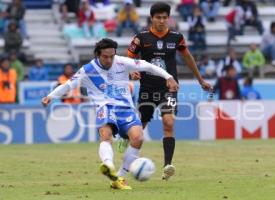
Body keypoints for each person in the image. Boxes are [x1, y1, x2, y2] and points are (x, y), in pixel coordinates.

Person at [41, 38, 179, 190]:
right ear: (97, 55)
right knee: (106, 134)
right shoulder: (87, 70)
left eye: (111, 56)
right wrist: (51, 96)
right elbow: (68, 85)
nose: (109, 60)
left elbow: (147, 66)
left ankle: (119, 177)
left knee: (138, 138)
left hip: (125, 108)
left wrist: (169, 77)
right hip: (105, 107)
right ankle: (107, 165)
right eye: (105, 57)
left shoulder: (121, 62)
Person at [127, 3, 212, 180]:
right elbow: (129, 58)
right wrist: (131, 70)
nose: (161, 20)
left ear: (169, 18)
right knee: (138, 130)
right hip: (147, 89)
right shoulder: (141, 38)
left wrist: (200, 79)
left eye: (165, 17)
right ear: (152, 18)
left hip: (169, 89)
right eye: (158, 17)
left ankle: (167, 165)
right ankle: (127, 161)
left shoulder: (176, 38)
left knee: (168, 121)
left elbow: (187, 57)